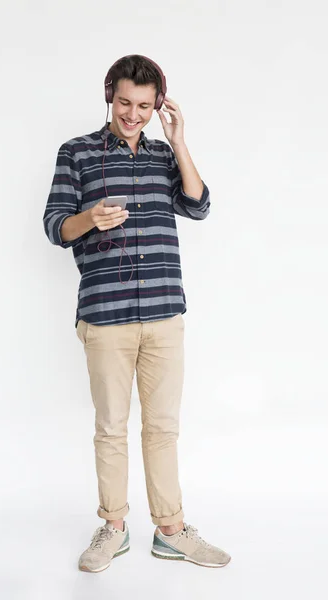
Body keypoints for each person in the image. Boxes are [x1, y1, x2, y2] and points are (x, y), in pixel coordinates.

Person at [43, 54, 231, 573]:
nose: (133, 114)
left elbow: (197, 205)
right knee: (110, 427)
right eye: (125, 102)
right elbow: (55, 226)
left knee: (163, 427)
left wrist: (179, 141)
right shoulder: (77, 152)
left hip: (166, 311)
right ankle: (113, 527)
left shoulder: (161, 156)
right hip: (105, 314)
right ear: (110, 95)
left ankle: (171, 531)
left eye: (145, 106)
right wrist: (90, 218)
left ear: (157, 106)